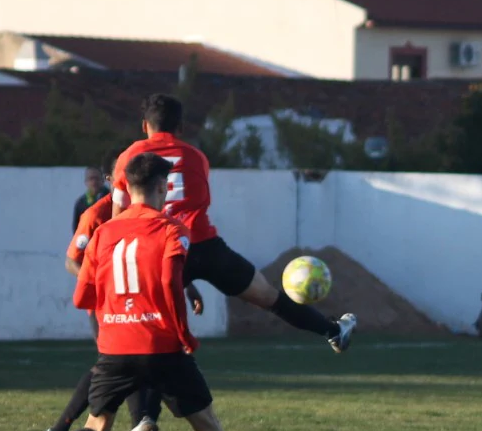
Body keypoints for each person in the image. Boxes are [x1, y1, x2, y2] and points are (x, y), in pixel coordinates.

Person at [16, 152, 275, 431]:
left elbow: (81, 297)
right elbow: (172, 286)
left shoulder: (104, 232)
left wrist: (118, 310)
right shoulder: (173, 230)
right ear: (160, 188)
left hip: (115, 347)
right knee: (209, 430)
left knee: (96, 428)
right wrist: (183, 334)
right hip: (160, 345)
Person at [110, 94, 355, 352]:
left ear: (144, 126)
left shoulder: (130, 157)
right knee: (268, 296)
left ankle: (117, 384)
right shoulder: (196, 157)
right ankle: (333, 331)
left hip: (156, 252)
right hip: (204, 246)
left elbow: (118, 217)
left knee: (140, 333)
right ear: (180, 127)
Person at [40, 191, 203, 431]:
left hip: (140, 309)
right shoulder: (95, 216)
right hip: (111, 306)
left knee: (138, 362)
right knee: (121, 363)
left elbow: (162, 263)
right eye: (120, 181)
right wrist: (102, 284)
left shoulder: (148, 214)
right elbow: (72, 261)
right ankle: (61, 430)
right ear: (112, 181)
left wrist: (188, 286)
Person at [72, 166, 107, 231]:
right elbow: (76, 228)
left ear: (103, 180)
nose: (94, 182)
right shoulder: (80, 203)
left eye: (96, 178)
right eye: (91, 179)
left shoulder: (111, 198)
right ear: (86, 182)